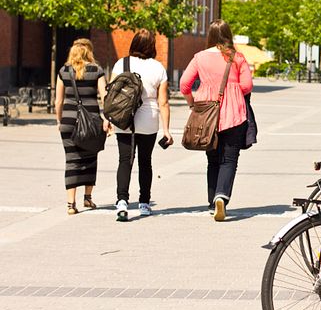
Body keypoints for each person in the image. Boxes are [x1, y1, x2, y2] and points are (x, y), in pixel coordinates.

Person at [179, 20, 253, 221]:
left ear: (210, 36)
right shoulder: (237, 57)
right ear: (229, 35)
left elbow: (184, 84)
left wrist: (193, 103)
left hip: (207, 115)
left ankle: (213, 202)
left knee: (212, 159)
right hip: (234, 115)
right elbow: (247, 86)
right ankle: (222, 196)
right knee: (229, 159)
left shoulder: (199, 57)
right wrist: (232, 89)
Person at [112, 29, 173, 221]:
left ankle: (122, 202)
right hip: (148, 120)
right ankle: (144, 203)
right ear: (152, 46)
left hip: (124, 119)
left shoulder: (121, 63)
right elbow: (163, 102)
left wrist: (108, 119)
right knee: (145, 162)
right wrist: (167, 130)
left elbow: (112, 95)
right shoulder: (158, 68)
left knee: (124, 161)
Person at [54, 39, 109, 215]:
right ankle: (87, 198)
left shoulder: (63, 71)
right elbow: (104, 97)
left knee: (71, 160)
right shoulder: (96, 70)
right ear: (88, 53)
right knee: (90, 159)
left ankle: (71, 204)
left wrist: (59, 120)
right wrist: (107, 118)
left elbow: (58, 101)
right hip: (92, 123)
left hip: (68, 122)